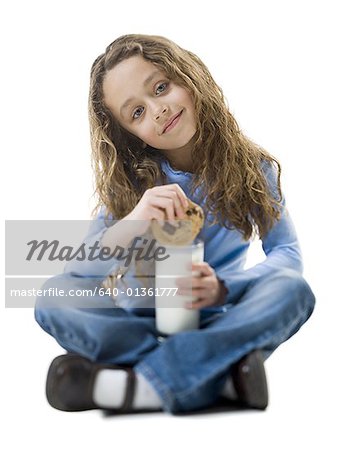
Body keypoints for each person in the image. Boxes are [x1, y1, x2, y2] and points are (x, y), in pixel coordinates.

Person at [35, 34, 315, 415]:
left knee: (292, 290)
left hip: (211, 320)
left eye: (161, 88)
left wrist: (222, 289)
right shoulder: (130, 184)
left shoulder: (253, 168)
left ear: (189, 77)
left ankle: (135, 385)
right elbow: (79, 271)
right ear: (127, 134)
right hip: (135, 324)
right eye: (136, 112)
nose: (158, 110)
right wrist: (134, 221)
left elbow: (287, 253)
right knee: (55, 296)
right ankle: (216, 375)